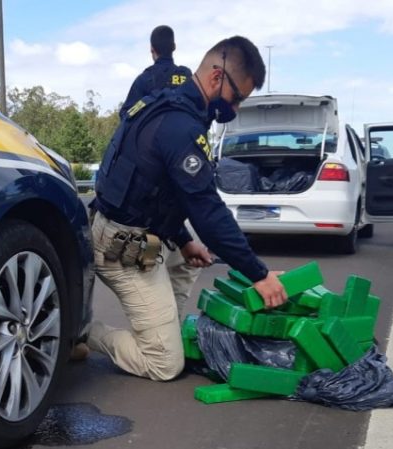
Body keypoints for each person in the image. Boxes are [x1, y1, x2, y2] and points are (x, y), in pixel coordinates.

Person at [84, 36, 287, 381]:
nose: (235, 110)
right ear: (216, 77)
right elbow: (208, 212)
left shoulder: (178, 108)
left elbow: (157, 192)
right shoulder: (181, 126)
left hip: (140, 229)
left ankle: (163, 331)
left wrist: (183, 239)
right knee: (164, 365)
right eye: (237, 98)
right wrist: (259, 274)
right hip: (119, 244)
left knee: (190, 253)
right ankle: (81, 331)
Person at [118, 25, 192, 119]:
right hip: (187, 131)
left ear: (152, 49)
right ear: (174, 46)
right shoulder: (187, 76)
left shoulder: (144, 80)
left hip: (153, 132)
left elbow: (126, 115)